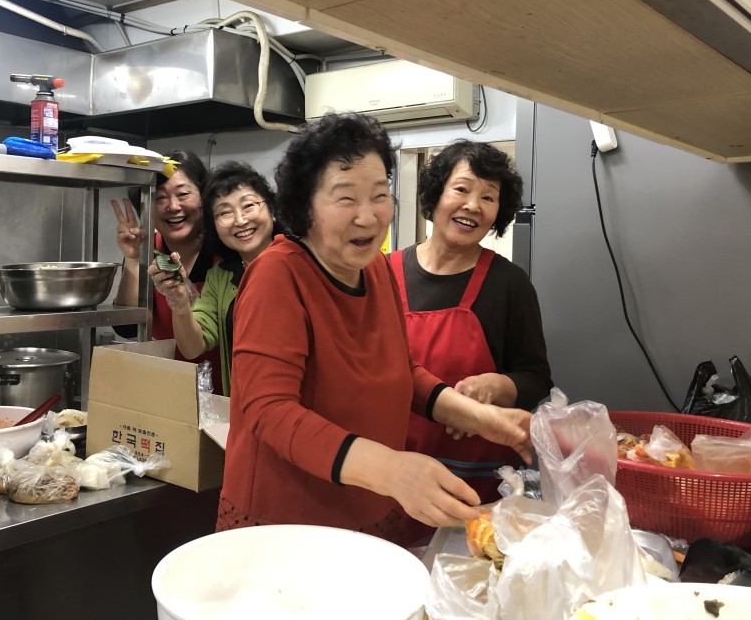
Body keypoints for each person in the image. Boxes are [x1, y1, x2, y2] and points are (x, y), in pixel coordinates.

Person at [216, 112, 533, 545]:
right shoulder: (278, 274)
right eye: (345, 198)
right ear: (304, 205)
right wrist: (390, 469)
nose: (368, 217)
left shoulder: (377, 270)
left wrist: (483, 419)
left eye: (380, 194)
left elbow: (404, 371)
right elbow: (270, 410)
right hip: (289, 524)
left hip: (371, 511)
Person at [390, 140, 552, 540]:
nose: (473, 205)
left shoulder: (509, 284)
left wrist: (498, 385)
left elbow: (537, 378)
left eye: (488, 197)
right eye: (461, 189)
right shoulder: (382, 274)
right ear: (436, 194)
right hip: (392, 478)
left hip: (476, 492)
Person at [151, 161, 277, 397]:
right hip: (245, 405)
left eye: (248, 206)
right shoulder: (221, 276)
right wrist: (179, 302)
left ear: (270, 208)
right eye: (225, 213)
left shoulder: (300, 260)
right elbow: (193, 347)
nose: (240, 220)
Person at [110, 150, 221, 382]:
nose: (173, 206)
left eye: (183, 194)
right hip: (168, 387)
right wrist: (134, 259)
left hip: (228, 392)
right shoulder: (149, 249)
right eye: (160, 198)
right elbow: (127, 328)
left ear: (204, 196)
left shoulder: (224, 251)